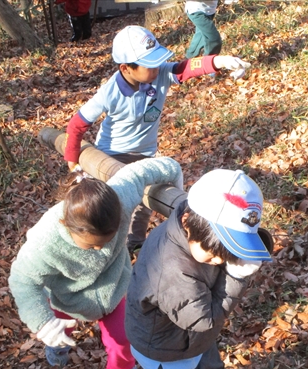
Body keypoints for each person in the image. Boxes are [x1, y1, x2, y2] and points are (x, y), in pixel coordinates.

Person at [94, 169, 273, 369]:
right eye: (215, 254)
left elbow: (203, 312)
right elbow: (204, 320)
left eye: (229, 253)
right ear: (188, 220)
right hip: (166, 351)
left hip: (190, 340)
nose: (221, 262)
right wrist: (237, 276)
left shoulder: (189, 226)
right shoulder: (173, 270)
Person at [63, 25, 251, 252]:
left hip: (145, 154)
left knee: (144, 204)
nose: (156, 68)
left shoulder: (160, 73)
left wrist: (219, 61)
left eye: (157, 61)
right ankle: (107, 248)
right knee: (117, 204)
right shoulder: (110, 92)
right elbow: (76, 125)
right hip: (112, 154)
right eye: (149, 64)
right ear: (126, 68)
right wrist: (72, 162)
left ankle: (136, 245)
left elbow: (186, 68)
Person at [8, 157, 183, 369]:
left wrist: (179, 192)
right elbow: (22, 280)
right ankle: (56, 350)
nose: (100, 250)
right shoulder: (44, 241)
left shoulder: (120, 196)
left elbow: (147, 170)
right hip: (68, 297)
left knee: (124, 337)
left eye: (107, 242)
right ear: (67, 226)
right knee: (62, 332)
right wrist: (43, 323)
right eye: (92, 246)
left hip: (114, 288)